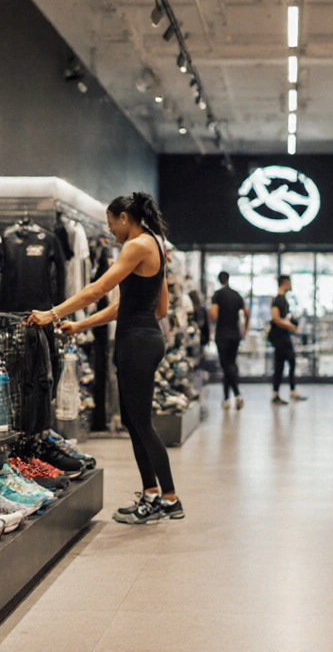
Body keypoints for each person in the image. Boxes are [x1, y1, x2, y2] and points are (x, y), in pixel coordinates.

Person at [27, 192, 184, 525]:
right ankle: (152, 495)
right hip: (145, 338)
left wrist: (52, 313)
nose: (110, 231)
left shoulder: (136, 245)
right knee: (134, 422)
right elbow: (159, 309)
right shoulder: (156, 244)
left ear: (125, 218)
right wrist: (80, 324)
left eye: (111, 224)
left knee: (141, 424)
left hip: (136, 343)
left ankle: (169, 499)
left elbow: (97, 290)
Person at [209, 271, 248, 410]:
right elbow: (246, 312)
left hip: (222, 335)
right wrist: (245, 330)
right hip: (235, 334)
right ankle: (226, 398)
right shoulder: (236, 295)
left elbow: (213, 313)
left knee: (227, 366)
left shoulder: (217, 295)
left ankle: (237, 395)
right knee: (230, 365)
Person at [269, 275, 306, 405]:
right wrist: (291, 327)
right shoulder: (278, 300)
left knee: (287, 362)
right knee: (284, 363)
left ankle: (287, 391)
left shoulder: (283, 300)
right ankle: (280, 393)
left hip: (283, 336)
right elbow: (276, 318)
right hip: (280, 338)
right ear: (284, 283)